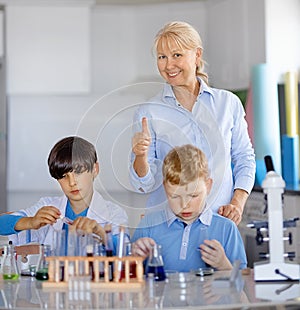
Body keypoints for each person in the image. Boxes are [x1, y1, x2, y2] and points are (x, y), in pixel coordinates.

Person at [130, 21, 255, 225]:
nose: (168, 65)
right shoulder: (148, 112)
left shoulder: (227, 104)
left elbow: (244, 158)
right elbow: (143, 185)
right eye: (162, 57)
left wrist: (237, 203)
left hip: (218, 221)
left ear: (197, 55)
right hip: (168, 226)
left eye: (177, 55)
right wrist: (140, 157)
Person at [0, 136, 129, 253]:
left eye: (78, 172)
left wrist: (100, 233)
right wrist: (31, 222)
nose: (72, 182)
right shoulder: (48, 207)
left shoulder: (114, 214)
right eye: (63, 176)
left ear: (95, 169)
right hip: (53, 278)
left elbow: (125, 254)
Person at [131, 144, 247, 272]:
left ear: (208, 186)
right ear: (165, 188)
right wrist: (136, 259)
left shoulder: (226, 228)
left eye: (193, 195)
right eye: (175, 196)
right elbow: (128, 276)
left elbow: (242, 284)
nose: (184, 205)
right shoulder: (148, 224)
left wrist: (223, 265)